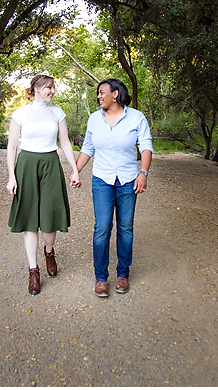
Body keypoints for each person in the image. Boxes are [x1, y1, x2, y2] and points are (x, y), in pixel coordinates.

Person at [73, 78, 153, 298]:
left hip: (128, 179)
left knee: (125, 227)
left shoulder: (136, 118)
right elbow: (87, 148)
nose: (99, 96)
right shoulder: (94, 119)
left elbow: (146, 146)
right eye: (98, 93)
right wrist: (76, 170)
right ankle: (101, 278)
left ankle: (122, 275)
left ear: (115, 94)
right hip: (102, 180)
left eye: (102, 92)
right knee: (102, 227)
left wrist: (143, 173)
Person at [6, 74, 80, 296]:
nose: (52, 91)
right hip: (27, 165)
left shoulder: (57, 113)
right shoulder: (20, 114)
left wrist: (75, 169)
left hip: (50, 163)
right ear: (36, 88)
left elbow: (65, 143)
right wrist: (12, 176)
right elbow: (11, 148)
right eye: (48, 88)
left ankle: (49, 251)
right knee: (30, 220)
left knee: (49, 218)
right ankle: (33, 270)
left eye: (53, 88)